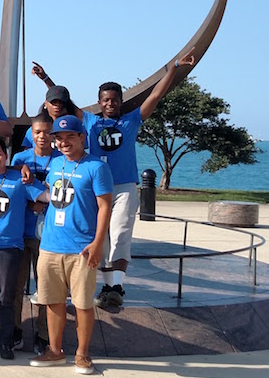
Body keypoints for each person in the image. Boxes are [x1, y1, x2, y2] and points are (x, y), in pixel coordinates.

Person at [35, 50, 195, 310]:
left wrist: (174, 67)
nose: (110, 103)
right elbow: (63, 99)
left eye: (114, 99)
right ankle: (111, 287)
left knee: (120, 234)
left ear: (120, 101)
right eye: (105, 100)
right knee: (102, 238)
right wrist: (46, 79)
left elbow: (156, 95)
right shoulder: (88, 121)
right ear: (99, 102)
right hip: (96, 188)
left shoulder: (131, 121)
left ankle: (115, 287)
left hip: (123, 187)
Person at [28, 113, 112, 375]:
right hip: (51, 246)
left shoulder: (96, 167)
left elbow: (105, 206)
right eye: (59, 138)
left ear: (81, 138)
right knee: (52, 302)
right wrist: (29, 182)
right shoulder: (55, 165)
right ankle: (55, 350)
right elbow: (50, 195)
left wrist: (98, 244)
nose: (64, 142)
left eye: (69, 137)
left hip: (81, 249)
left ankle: (82, 354)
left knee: (83, 304)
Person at [0, 135, 49, 360]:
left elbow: (47, 196)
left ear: (6, 155)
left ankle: (6, 342)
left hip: (9, 248)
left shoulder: (19, 179)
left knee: (5, 297)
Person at [8, 110, 59, 355]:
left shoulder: (61, 160)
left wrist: (45, 202)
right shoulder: (19, 159)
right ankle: (15, 331)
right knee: (15, 286)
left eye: (48, 132)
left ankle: (43, 334)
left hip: (48, 235)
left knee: (46, 288)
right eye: (37, 132)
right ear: (31, 133)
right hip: (20, 232)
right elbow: (9, 190)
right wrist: (29, 204)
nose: (42, 137)